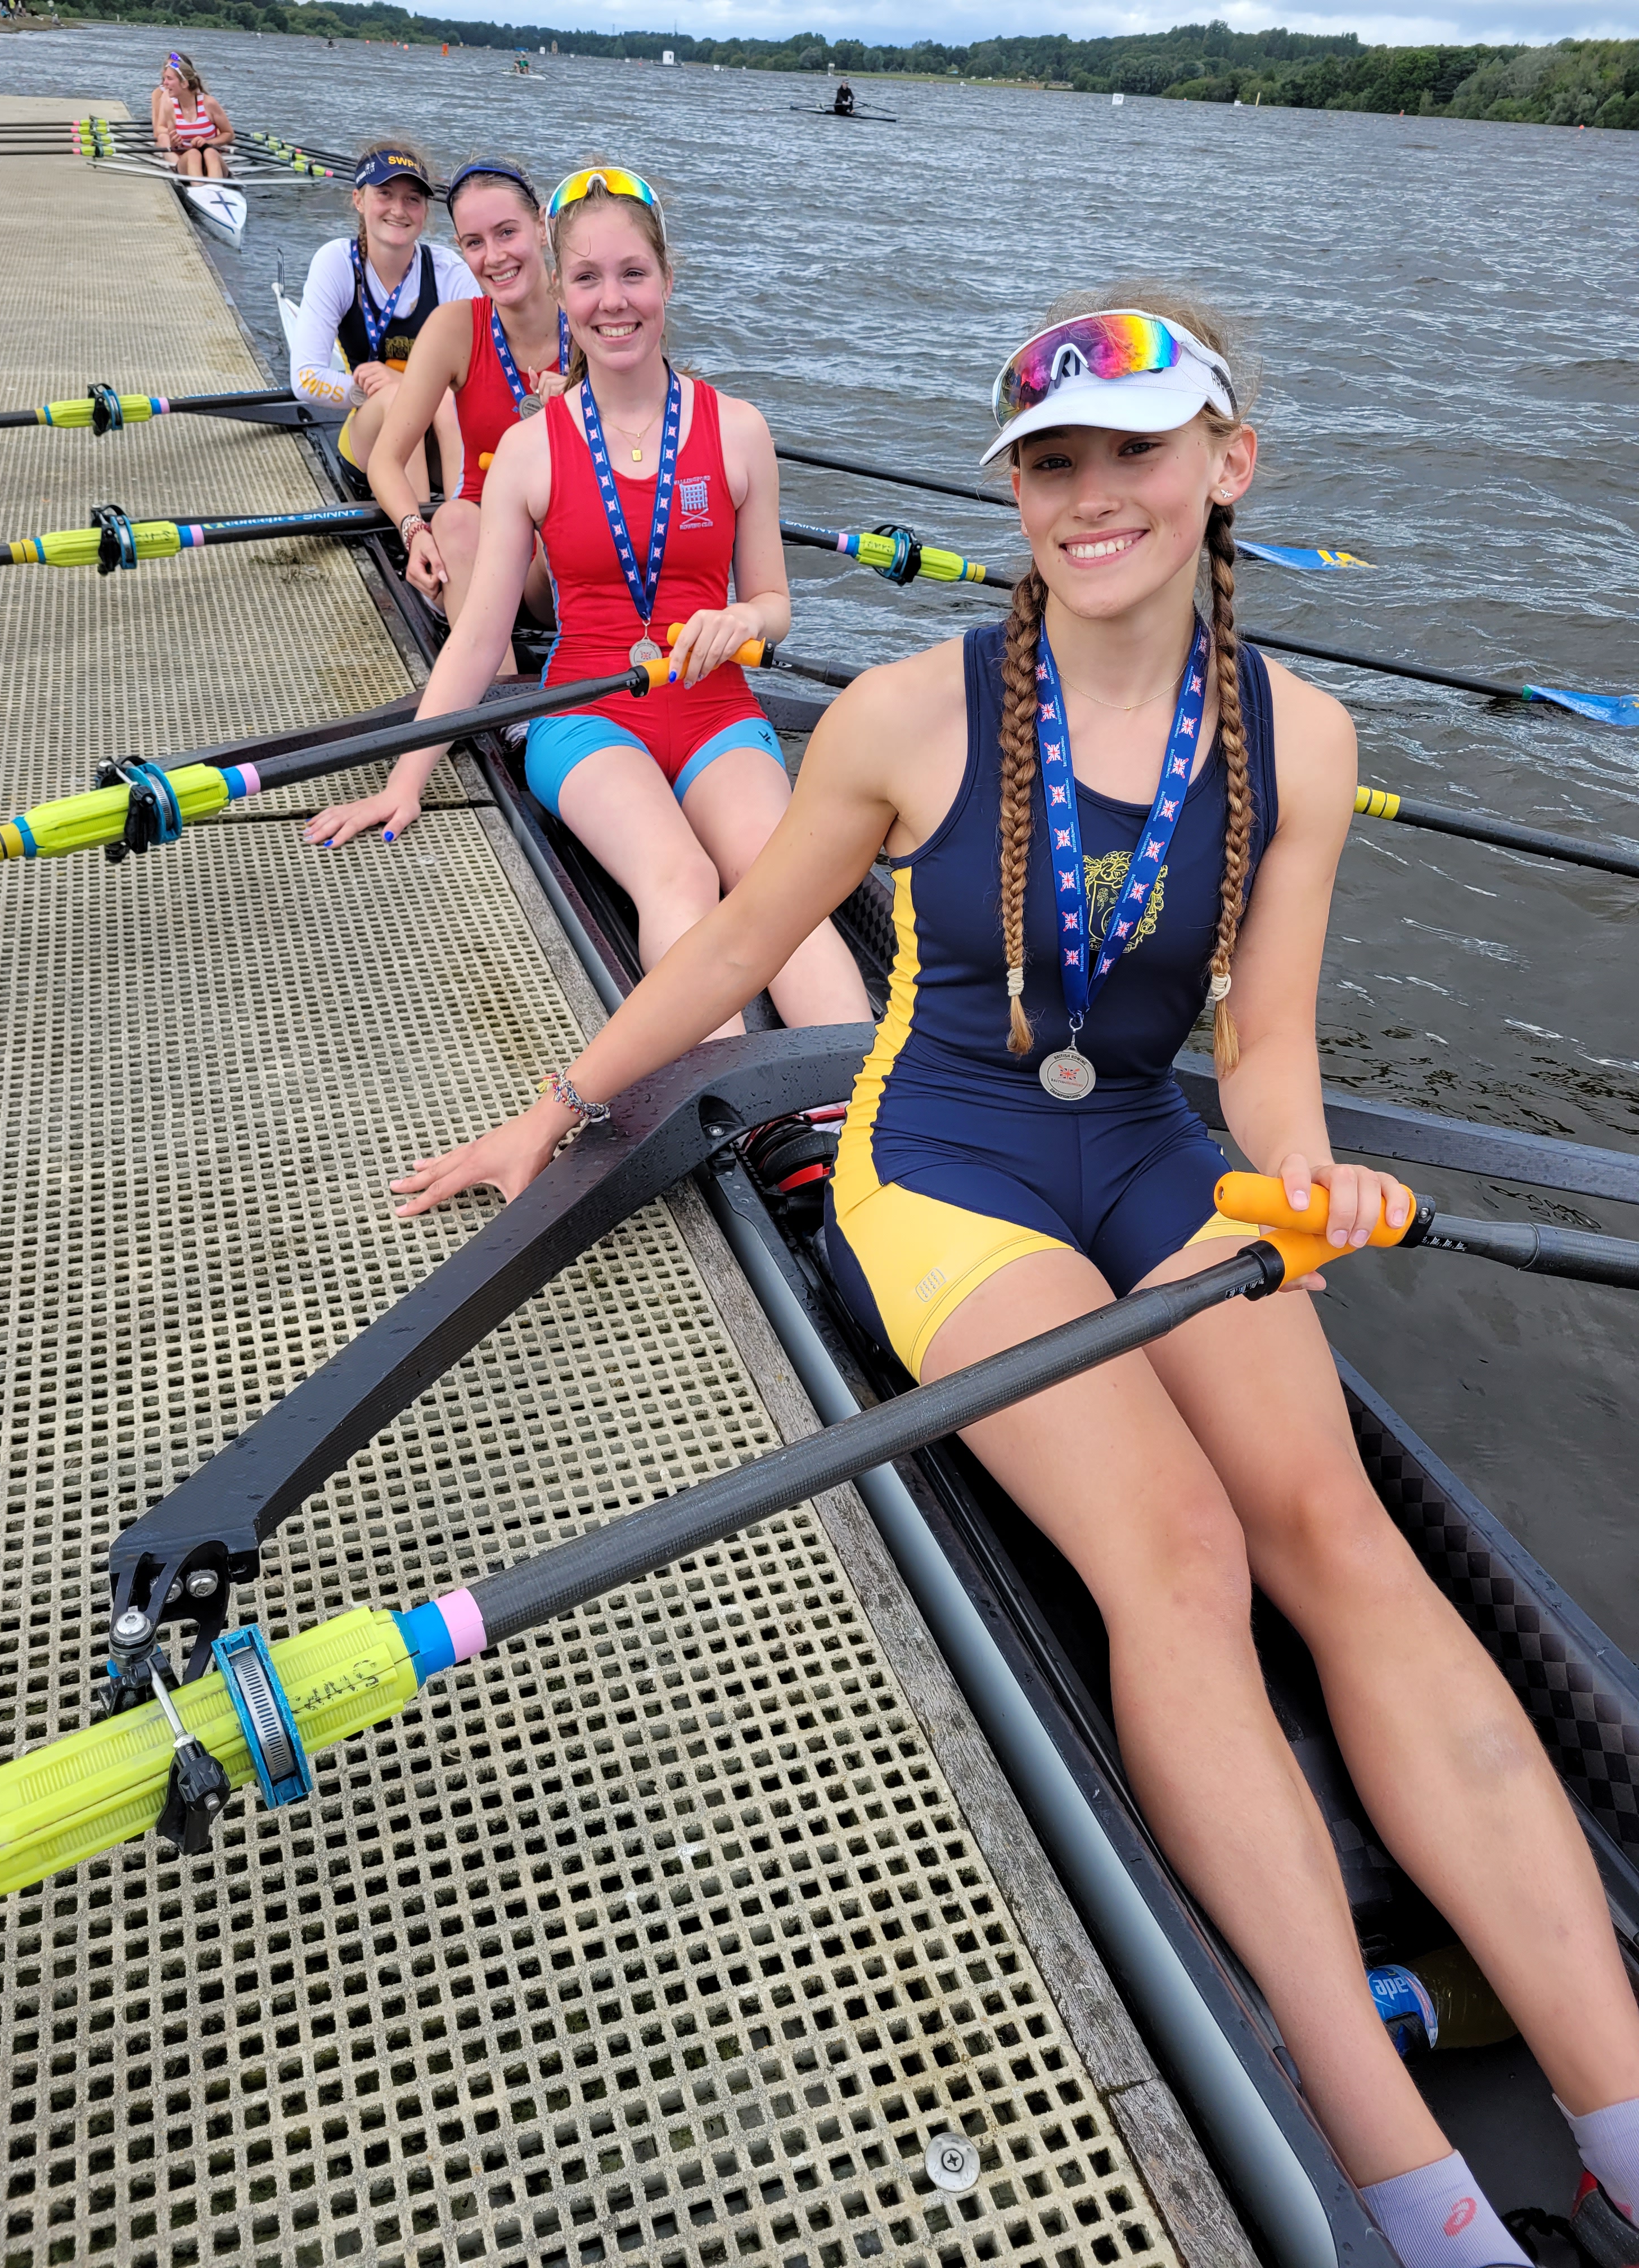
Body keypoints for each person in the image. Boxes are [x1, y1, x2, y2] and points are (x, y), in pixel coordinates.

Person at [386, 291, 1639, 2267]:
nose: (1088, 492)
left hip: (1150, 1149)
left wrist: (1305, 1179)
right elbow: (733, 951)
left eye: (1133, 449)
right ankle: (1405, 2178)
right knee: (1177, 1555)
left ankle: (1621, 2106)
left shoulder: (1302, 742)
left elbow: (1265, 1042)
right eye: (1050, 461)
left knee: (1344, 1543)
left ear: (1227, 467)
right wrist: (554, 1113)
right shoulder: (907, 715)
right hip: (943, 1163)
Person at [305, 164, 868, 1036]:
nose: (614, 301)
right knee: (680, 877)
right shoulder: (530, 452)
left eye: (633, 274)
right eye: (588, 278)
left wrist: (744, 618)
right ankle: (725, 1096)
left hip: (716, 706)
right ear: (562, 293)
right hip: (586, 710)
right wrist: (406, 779)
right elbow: (479, 637)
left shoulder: (740, 430)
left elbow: (773, 602)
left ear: (667, 280)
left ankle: (858, 1101)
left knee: (778, 887)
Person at [367, 159, 565, 632]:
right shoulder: (455, 329)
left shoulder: (593, 317)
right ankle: (494, 676)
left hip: (560, 559)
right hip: (478, 546)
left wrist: (580, 405)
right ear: (461, 248)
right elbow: (386, 461)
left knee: (565, 534)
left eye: (506, 233)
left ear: (542, 227)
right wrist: (414, 531)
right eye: (475, 243)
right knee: (453, 518)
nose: (494, 257)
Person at [287, 143, 476, 499]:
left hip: (437, 441)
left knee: (444, 402)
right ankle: (417, 523)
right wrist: (387, 389)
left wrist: (409, 384)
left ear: (425, 212)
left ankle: (461, 513)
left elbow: (483, 378)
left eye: (412, 199)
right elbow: (306, 379)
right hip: (369, 434)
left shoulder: (449, 272)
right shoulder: (337, 263)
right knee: (396, 399)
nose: (398, 210)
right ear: (359, 200)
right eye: (385, 194)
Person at [152, 53, 232, 179]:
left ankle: (215, 186)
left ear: (184, 84)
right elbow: (169, 140)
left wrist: (207, 142)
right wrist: (174, 143)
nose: (165, 83)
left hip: (211, 159)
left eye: (170, 79)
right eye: (165, 78)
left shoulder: (209, 103)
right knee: (193, 153)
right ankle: (199, 187)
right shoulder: (170, 107)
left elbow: (229, 134)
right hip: (188, 159)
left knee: (210, 152)